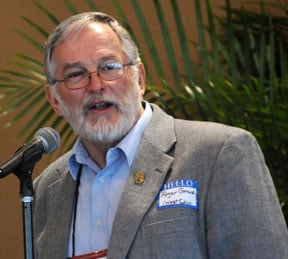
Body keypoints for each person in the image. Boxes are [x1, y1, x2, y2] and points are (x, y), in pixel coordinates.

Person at [33, 12, 288, 258]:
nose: (96, 85)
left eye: (109, 67)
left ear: (140, 79)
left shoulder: (218, 153)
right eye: (75, 75)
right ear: (54, 99)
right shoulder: (45, 190)